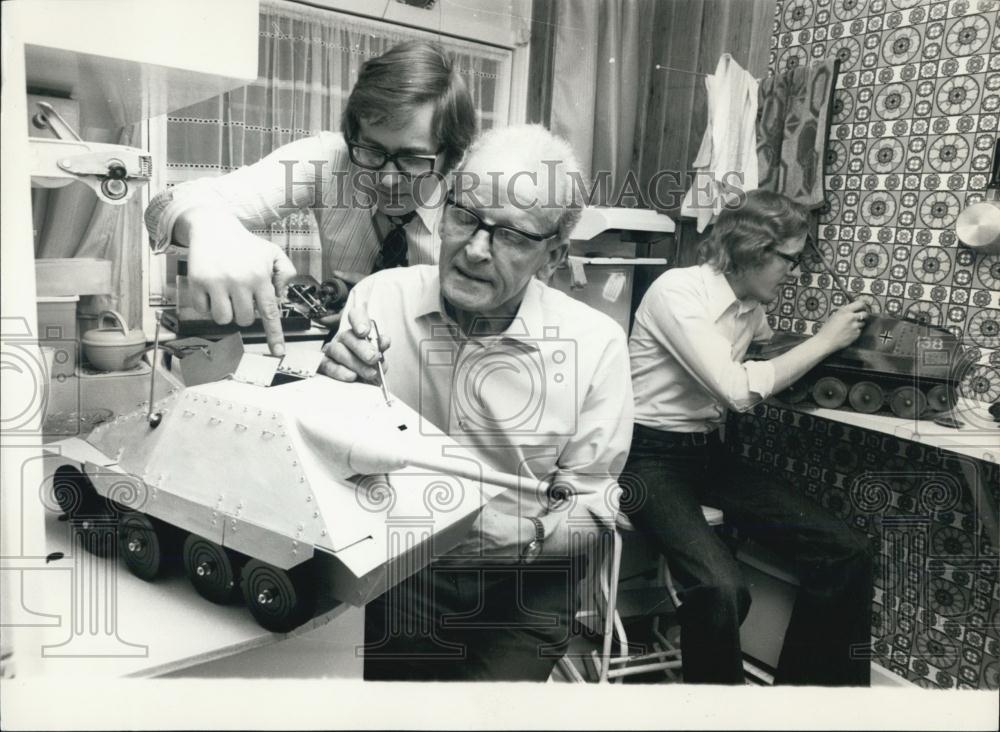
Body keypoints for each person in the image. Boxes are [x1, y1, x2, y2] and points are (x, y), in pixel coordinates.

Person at [320, 123, 633, 681]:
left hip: (524, 582)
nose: (476, 249)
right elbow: (327, 463)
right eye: (466, 215)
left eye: (512, 235)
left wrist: (529, 536)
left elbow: (597, 510)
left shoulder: (596, 345)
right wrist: (332, 399)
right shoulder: (378, 299)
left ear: (554, 255)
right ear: (442, 213)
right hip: (400, 568)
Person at [624, 189, 874, 685]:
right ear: (752, 250)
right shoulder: (677, 292)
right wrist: (825, 340)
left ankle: (811, 704)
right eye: (789, 259)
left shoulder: (747, 306)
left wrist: (848, 339)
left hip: (706, 454)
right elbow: (737, 391)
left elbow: (766, 349)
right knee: (721, 589)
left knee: (846, 550)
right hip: (646, 455)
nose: (794, 271)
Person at [144, 40, 477, 356]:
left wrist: (390, 301)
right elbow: (162, 206)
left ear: (452, 158)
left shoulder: (479, 195)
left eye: (413, 159)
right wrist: (210, 227)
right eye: (372, 150)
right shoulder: (329, 158)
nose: (387, 179)